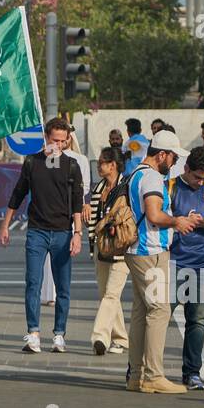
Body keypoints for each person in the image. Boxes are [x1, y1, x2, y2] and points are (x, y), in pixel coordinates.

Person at [0, 118, 84, 355]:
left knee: (63, 287)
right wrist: (5, 225)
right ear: (46, 137)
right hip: (36, 231)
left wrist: (78, 233)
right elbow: (17, 194)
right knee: (33, 283)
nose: (57, 144)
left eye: (62, 140)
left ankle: (59, 334)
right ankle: (34, 333)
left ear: (67, 140)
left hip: (62, 233)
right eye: (54, 139)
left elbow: (78, 203)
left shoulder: (72, 166)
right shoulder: (32, 163)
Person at [117, 129, 192, 392]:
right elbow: (154, 215)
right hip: (151, 250)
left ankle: (136, 375)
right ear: (162, 154)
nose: (174, 163)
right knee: (159, 310)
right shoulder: (151, 178)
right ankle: (153, 375)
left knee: (141, 312)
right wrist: (177, 221)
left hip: (137, 250)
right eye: (173, 157)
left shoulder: (136, 172)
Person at [167, 145, 204, 390]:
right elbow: (158, 225)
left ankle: (192, 372)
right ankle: (142, 368)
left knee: (198, 321)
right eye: (196, 177)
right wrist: (182, 223)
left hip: (203, 264)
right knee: (159, 318)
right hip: (173, 264)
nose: (200, 182)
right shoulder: (169, 188)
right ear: (186, 168)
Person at [85, 147, 130, 356]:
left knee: (111, 294)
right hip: (102, 248)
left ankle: (100, 337)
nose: (98, 165)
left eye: (102, 162)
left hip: (122, 248)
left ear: (112, 165)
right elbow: (94, 220)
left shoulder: (127, 186)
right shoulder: (98, 188)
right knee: (107, 296)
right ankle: (120, 338)